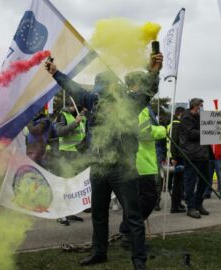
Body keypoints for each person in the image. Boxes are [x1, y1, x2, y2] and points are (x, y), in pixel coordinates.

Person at [45, 51, 163, 270]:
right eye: (97, 93)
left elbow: (148, 90)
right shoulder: (92, 99)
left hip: (123, 168)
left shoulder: (129, 103)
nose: (100, 98)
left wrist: (153, 71)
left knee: (134, 217)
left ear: (113, 89)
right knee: (99, 214)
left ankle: (139, 261)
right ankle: (99, 252)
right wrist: (56, 73)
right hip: (98, 168)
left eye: (104, 92)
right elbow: (73, 88)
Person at [118, 72, 166, 247]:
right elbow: (143, 133)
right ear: (137, 84)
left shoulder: (129, 102)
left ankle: (129, 236)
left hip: (139, 160)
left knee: (134, 200)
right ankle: (127, 230)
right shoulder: (139, 105)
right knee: (148, 198)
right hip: (141, 162)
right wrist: (162, 130)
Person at [55, 97, 86, 225]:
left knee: (73, 185)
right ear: (71, 105)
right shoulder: (63, 115)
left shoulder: (80, 116)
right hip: (66, 154)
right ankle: (61, 215)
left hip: (76, 155)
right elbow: (59, 132)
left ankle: (70, 212)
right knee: (64, 185)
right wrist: (75, 123)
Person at [179, 98, 212, 219]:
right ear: (195, 106)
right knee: (190, 181)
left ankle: (199, 204)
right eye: (200, 105)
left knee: (206, 179)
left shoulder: (198, 117)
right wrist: (207, 130)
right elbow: (190, 133)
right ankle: (191, 207)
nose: (201, 107)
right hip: (191, 154)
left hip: (202, 153)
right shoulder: (186, 117)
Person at [168, 106, 186, 213]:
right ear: (180, 114)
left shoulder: (174, 124)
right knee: (177, 183)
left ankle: (178, 203)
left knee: (179, 182)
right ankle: (175, 206)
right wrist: (174, 157)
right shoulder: (176, 124)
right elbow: (174, 142)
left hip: (177, 156)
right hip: (177, 158)